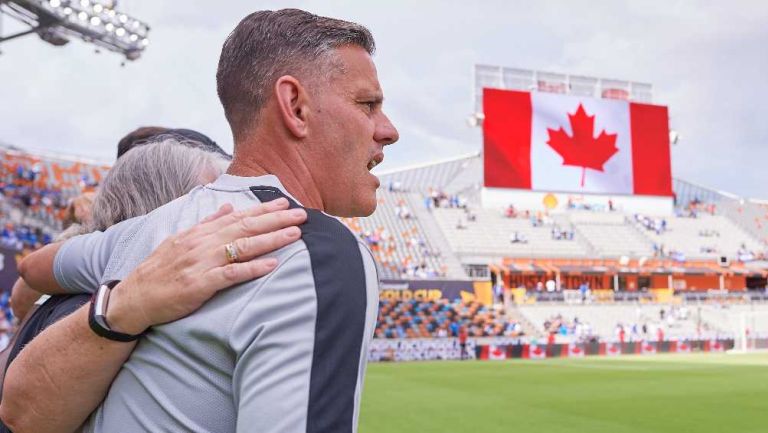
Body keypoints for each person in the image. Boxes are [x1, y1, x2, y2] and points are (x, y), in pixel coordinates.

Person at [2, 8, 397, 433]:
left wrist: (62, 301)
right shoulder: (315, 253)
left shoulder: (153, 231)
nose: (388, 129)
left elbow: (36, 267)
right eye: (367, 104)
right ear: (295, 105)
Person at [0, 140, 305, 433]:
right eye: (208, 204)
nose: (224, 220)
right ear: (165, 209)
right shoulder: (87, 310)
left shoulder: (86, 284)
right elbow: (23, 412)